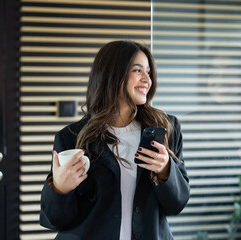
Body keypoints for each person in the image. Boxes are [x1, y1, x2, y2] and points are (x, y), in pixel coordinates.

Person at [39, 40, 190, 240]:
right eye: (138, 71)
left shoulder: (167, 130)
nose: (147, 80)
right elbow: (54, 220)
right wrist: (59, 188)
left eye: (148, 72)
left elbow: (177, 204)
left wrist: (165, 171)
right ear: (113, 75)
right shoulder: (71, 137)